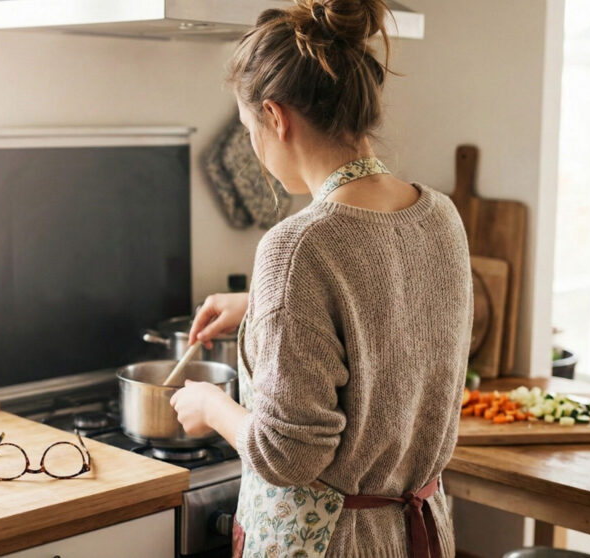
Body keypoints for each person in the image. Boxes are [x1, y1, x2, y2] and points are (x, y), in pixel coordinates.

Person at [169, 1, 472, 555]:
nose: (256, 150)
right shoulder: (439, 214)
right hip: (419, 534)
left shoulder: (297, 246)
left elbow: (288, 456)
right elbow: (389, 309)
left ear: (276, 117)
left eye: (249, 130)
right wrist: (259, 304)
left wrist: (213, 406)